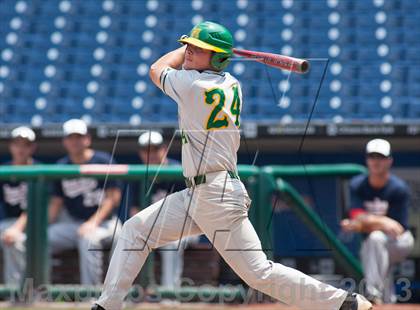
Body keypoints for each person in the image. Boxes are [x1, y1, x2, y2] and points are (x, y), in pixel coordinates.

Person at [92, 21, 372, 310]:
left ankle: (343, 303)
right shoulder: (230, 82)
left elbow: (155, 69)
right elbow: (189, 66)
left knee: (258, 273)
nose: (188, 51)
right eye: (188, 46)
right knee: (135, 230)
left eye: (197, 49)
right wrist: (202, 49)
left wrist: (182, 49)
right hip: (200, 193)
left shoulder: (193, 84)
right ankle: (106, 305)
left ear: (217, 57)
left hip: (216, 195)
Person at [48, 119, 122, 285]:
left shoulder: (103, 160)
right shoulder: (62, 166)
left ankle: (90, 294)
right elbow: (56, 203)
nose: (75, 141)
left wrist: (93, 222)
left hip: (105, 223)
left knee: (88, 239)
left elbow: (113, 198)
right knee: (42, 239)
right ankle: (37, 291)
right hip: (73, 224)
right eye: (71, 137)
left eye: (79, 137)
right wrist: (39, 229)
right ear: (64, 141)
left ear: (87, 139)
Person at [341, 138, 414, 304]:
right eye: (372, 157)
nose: (376, 161)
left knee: (375, 239)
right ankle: (386, 301)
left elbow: (397, 229)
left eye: (380, 157)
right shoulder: (357, 185)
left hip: (400, 242)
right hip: (375, 245)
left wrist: (364, 223)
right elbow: (356, 216)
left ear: (389, 161)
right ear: (367, 160)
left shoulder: (398, 188)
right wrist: (382, 221)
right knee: (375, 250)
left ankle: (373, 295)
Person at [131, 130, 198, 288]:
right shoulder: (139, 174)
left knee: (172, 243)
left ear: (164, 149)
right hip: (153, 228)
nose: (151, 154)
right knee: (130, 237)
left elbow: (193, 211)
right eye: (146, 150)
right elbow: (134, 210)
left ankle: (170, 294)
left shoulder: (181, 171)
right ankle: (136, 292)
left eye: (155, 149)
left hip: (186, 227)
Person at [0, 127, 37, 285]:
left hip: (35, 223)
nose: (21, 149)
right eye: (17, 144)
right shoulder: (5, 170)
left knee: (14, 240)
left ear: (32, 148)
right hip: (9, 221)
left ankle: (16, 294)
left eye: (25, 145)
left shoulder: (39, 170)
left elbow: (36, 209)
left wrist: (16, 228)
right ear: (11, 146)